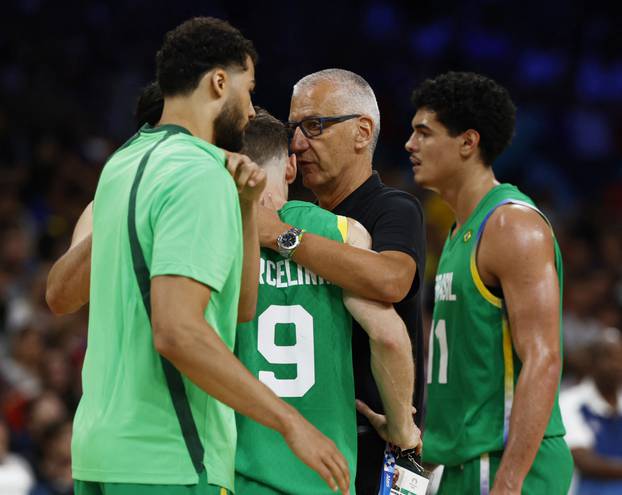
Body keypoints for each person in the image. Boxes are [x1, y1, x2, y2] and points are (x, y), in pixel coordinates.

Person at [47, 17, 349, 495]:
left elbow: (242, 309)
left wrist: (247, 208)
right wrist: (290, 422)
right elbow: (178, 331)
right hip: (172, 458)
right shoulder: (199, 174)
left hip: (100, 454)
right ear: (219, 82)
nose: (252, 111)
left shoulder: (122, 167)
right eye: (249, 91)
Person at [234, 108, 420, 494]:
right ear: (289, 169)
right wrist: (402, 426)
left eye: (314, 127)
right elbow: (388, 337)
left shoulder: (213, 232)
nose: (302, 142)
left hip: (237, 473)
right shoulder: (340, 231)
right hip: (327, 474)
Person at [405, 71, 573, 494]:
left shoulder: (512, 225)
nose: (410, 145)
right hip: (463, 459)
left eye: (424, 133)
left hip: (504, 463)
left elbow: (544, 357)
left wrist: (510, 481)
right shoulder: (460, 230)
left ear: (468, 142)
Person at [560, 327, 622, 495]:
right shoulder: (570, 402)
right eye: (609, 357)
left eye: (620, 357)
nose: (617, 364)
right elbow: (584, 461)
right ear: (592, 363)